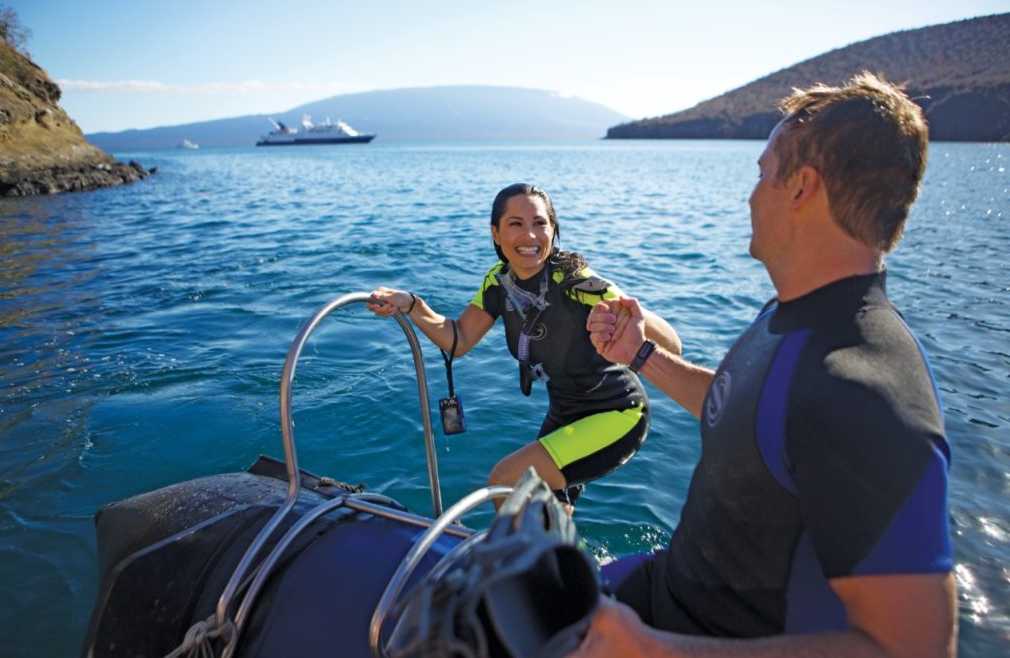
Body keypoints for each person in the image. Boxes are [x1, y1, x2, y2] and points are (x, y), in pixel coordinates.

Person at [576, 73, 957, 657]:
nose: (752, 194)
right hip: (665, 591)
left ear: (801, 186)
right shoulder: (789, 316)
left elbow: (913, 648)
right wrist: (640, 356)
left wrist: (651, 650)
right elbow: (750, 415)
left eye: (761, 173)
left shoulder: (865, 388)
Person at [367, 183, 681, 510]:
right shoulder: (498, 283)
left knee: (506, 481)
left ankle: (520, 560)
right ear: (496, 233)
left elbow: (673, 345)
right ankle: (561, 559)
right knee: (547, 511)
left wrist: (631, 312)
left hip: (617, 412)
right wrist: (412, 304)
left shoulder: (575, 281)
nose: (529, 235)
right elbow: (457, 338)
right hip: (564, 415)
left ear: (553, 230)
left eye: (540, 223)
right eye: (516, 224)